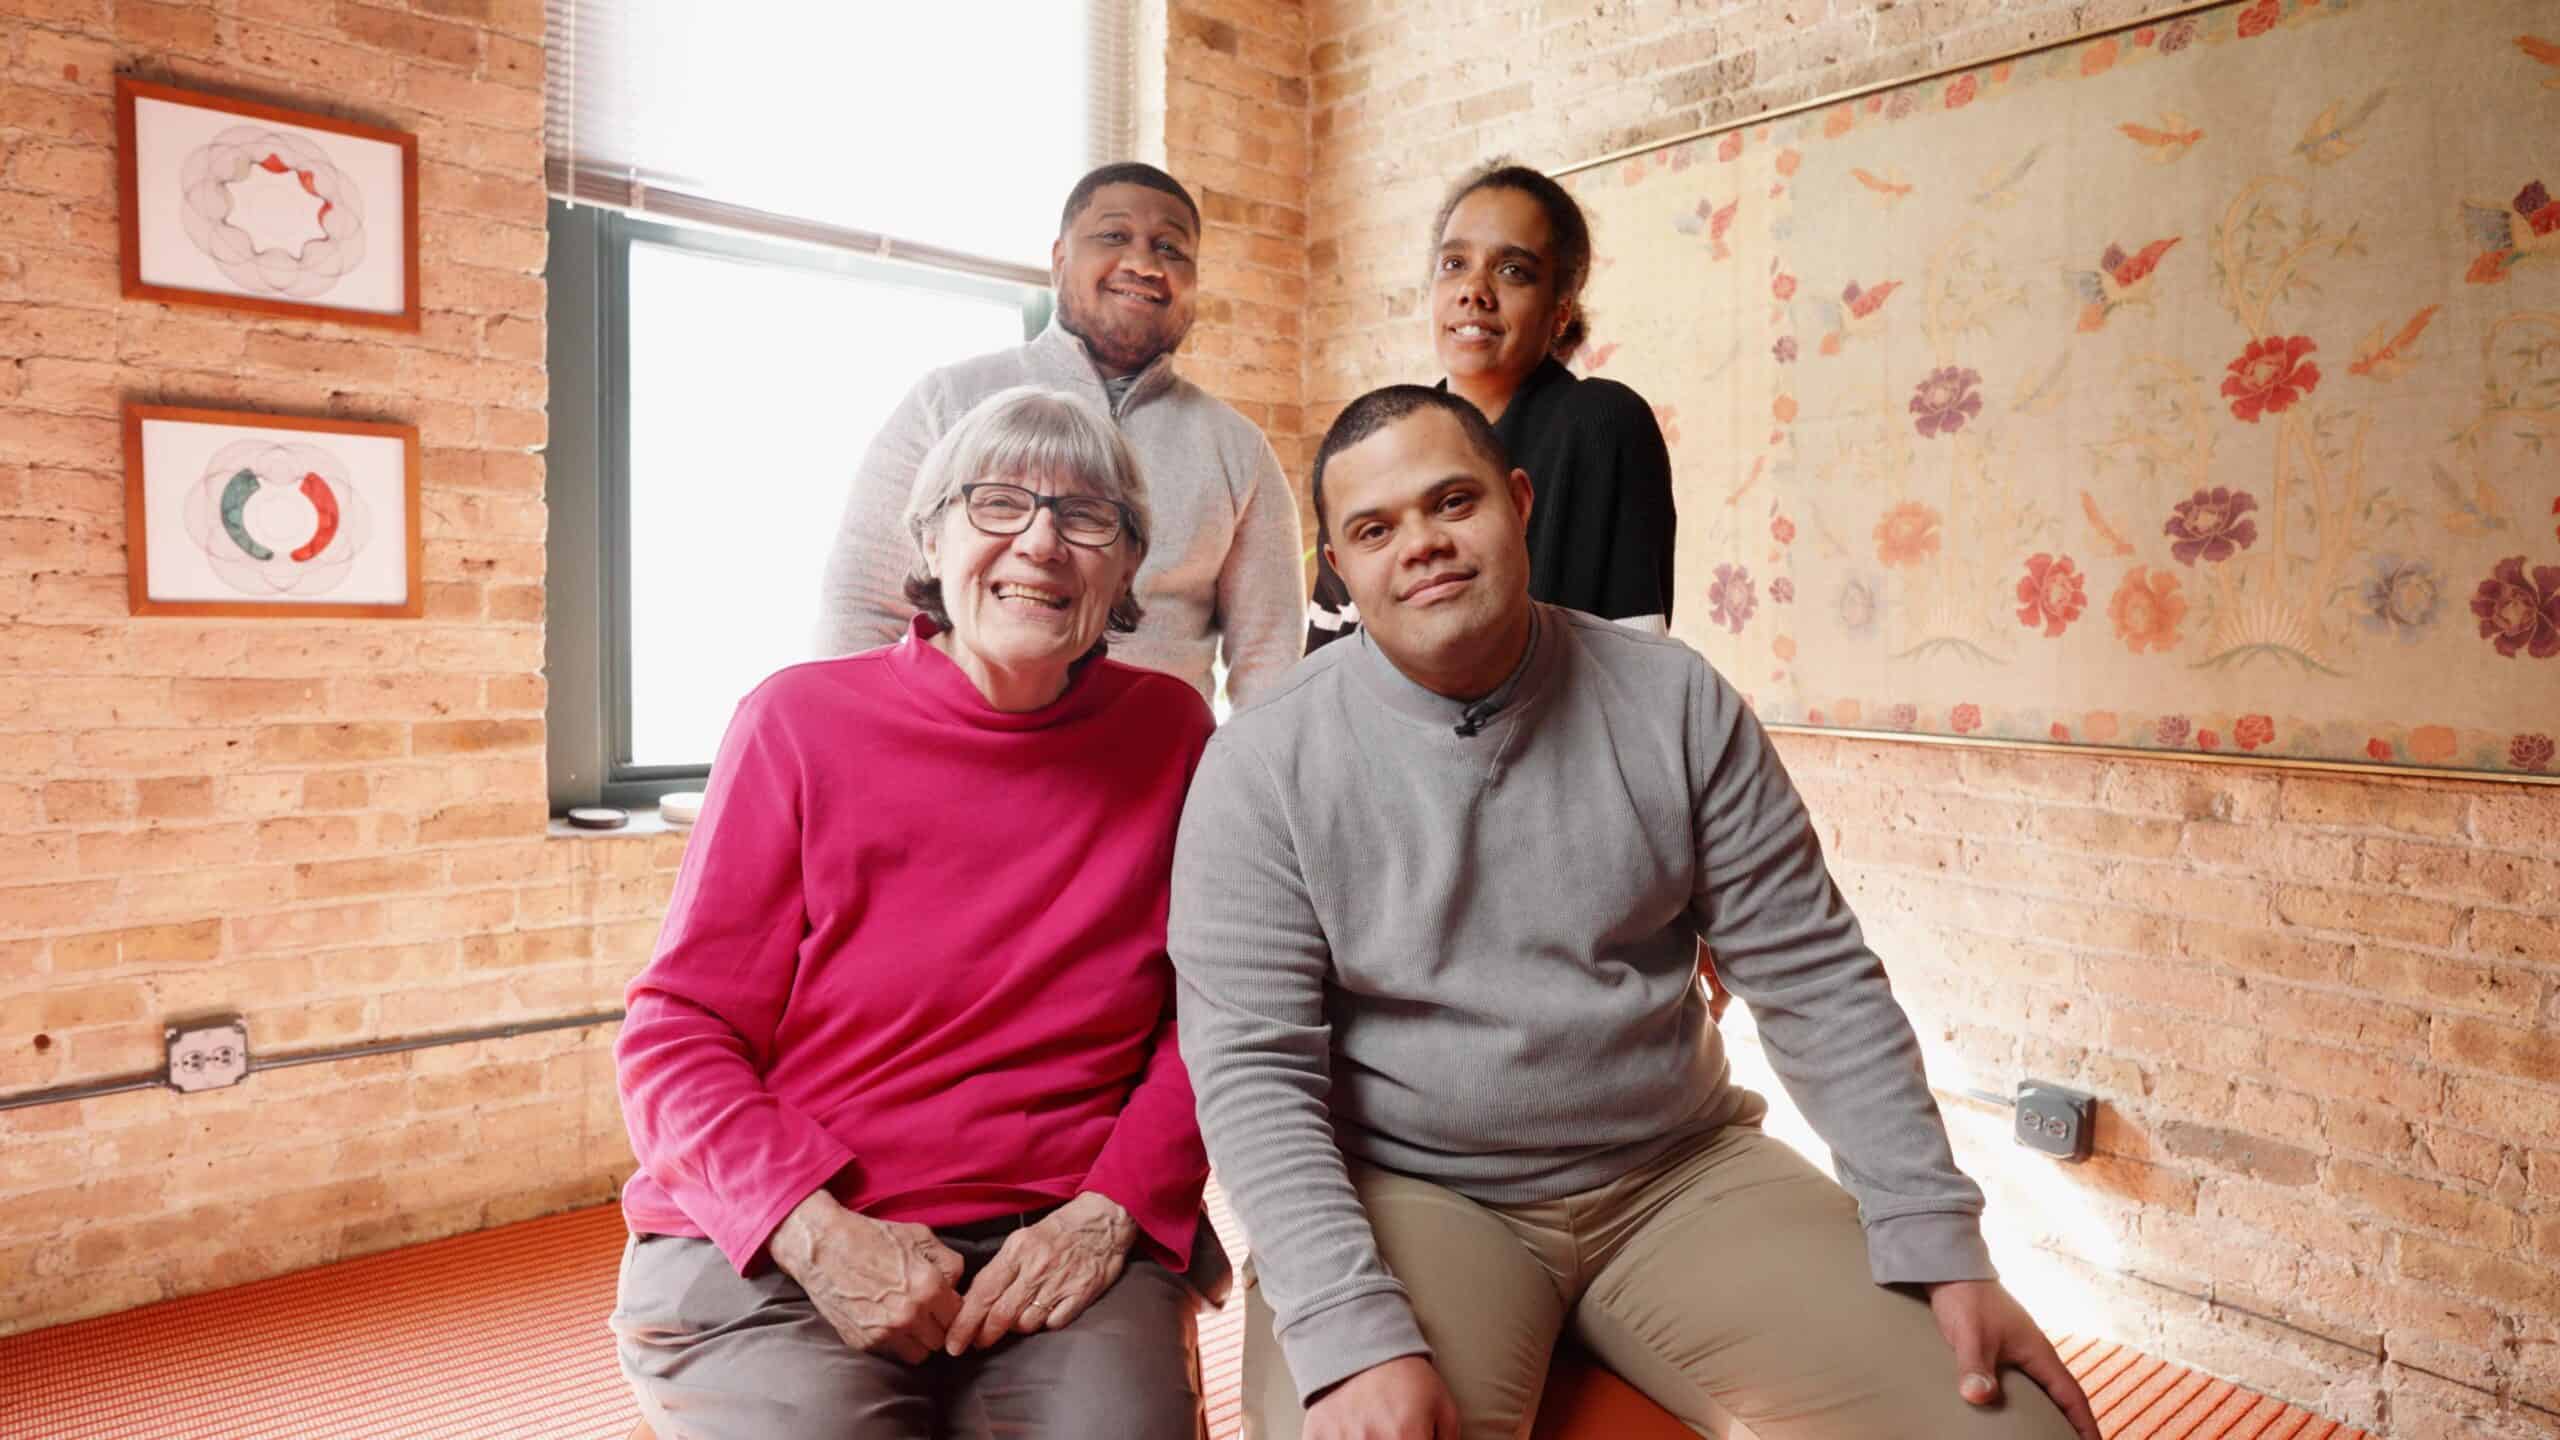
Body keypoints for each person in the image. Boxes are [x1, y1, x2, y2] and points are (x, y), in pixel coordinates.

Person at [1172, 386, 2099, 1440]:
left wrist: (1934, 1232)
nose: (1420, 545)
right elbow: (1251, 1067)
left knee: (2012, 1428)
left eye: (1452, 502)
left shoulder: (1673, 701)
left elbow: (1813, 980)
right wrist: (1344, 1323)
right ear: (1339, 567)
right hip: (1416, 1190)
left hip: (1678, 1173)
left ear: (1519, 503)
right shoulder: (1261, 763)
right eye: (1376, 530)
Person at [615, 387, 1221, 1439]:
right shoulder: (796, 722)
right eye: (998, 504)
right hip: (795, 1235)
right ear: (931, 538)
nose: (1040, 541)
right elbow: (675, 1037)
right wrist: (814, 1234)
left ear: (1126, 571)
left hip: (1060, 1237)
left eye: (1086, 519)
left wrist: (1109, 1210)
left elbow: (1214, 1015)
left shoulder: (1173, 735)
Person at [817, 161, 1305, 707]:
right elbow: (864, 609)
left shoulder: (1239, 449)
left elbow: (1271, 660)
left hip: (1155, 775)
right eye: (1114, 235)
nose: (1144, 263)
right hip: (956, 761)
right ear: (1059, 260)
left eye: (1171, 249)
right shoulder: (947, 400)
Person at [1305, 161, 1674, 651]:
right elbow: (1328, 652)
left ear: (1561, 310)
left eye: (1512, 271)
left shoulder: (1600, 423)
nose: (1473, 292)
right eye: (1454, 264)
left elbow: (1638, 656)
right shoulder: (1375, 443)